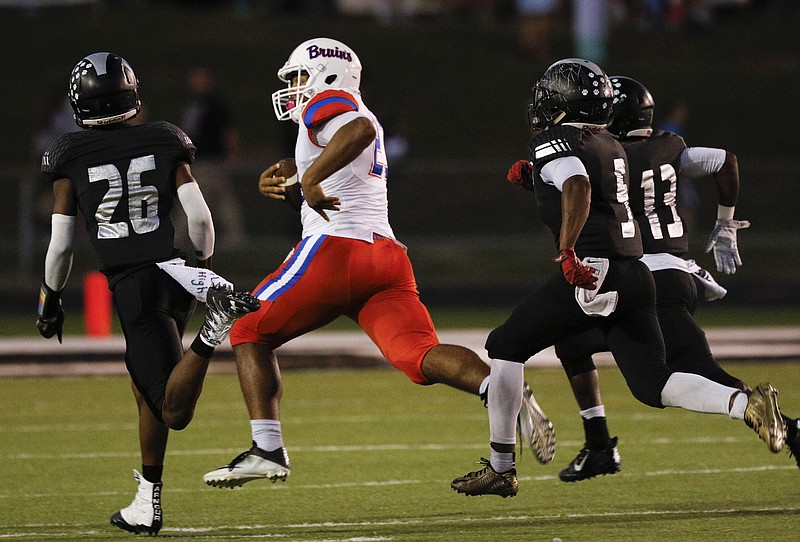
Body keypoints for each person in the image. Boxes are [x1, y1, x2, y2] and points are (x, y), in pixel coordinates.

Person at [202, 37, 556, 489]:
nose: (292, 88)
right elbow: (342, 178)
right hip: (384, 257)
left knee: (247, 327)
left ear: (326, 73)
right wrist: (299, 191)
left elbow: (358, 131)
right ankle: (501, 392)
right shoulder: (337, 115)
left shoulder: (332, 101)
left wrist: (308, 177)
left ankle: (267, 448)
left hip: (337, 253)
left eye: (297, 77)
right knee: (420, 356)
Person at [451, 58, 786, 498]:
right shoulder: (610, 142)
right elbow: (594, 185)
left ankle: (501, 467)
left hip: (595, 270)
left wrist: (568, 249)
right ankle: (744, 402)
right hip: (636, 272)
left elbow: (579, 187)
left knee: (505, 345)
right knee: (655, 384)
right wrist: (537, 181)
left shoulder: (556, 139)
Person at [36, 52, 261, 535]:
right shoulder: (164, 138)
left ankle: (213, 331)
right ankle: (147, 499)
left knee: (171, 408)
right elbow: (199, 218)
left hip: (133, 284)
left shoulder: (70, 152)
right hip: (176, 272)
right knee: (146, 389)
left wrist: (49, 299)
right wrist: (200, 269)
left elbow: (60, 246)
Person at [552, 75, 800, 482]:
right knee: (572, 339)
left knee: (658, 384)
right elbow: (726, 161)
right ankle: (597, 445)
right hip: (677, 276)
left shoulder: (602, 155)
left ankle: (781, 424)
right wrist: (725, 224)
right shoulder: (668, 147)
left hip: (641, 281)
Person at [177, 66, 245, 244]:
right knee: (219, 200)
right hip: (197, 160)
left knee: (196, 198)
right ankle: (235, 237)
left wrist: (232, 154)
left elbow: (228, 132)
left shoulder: (215, 104)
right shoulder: (193, 103)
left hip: (211, 159)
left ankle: (178, 238)